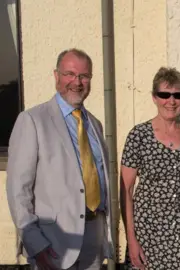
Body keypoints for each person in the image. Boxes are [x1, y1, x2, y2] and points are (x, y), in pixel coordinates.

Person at [6, 48, 115, 269]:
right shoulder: (32, 120)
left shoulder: (94, 125)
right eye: (70, 74)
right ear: (56, 76)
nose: (77, 82)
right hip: (53, 243)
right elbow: (18, 190)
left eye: (84, 76)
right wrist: (35, 244)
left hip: (93, 239)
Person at [120, 67, 180, 269]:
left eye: (177, 95)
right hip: (147, 233)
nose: (171, 101)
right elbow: (125, 189)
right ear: (154, 97)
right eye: (164, 95)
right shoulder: (139, 136)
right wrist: (131, 239)